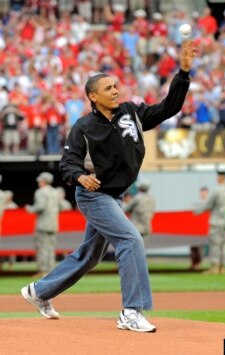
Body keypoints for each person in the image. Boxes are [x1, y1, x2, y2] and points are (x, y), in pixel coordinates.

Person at [21, 40, 196, 332]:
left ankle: (40, 292)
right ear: (92, 96)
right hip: (93, 195)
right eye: (108, 88)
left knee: (91, 255)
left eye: (116, 86)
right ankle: (131, 311)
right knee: (130, 240)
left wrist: (184, 72)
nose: (116, 91)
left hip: (115, 196)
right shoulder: (83, 127)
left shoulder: (131, 112)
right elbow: (67, 163)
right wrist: (78, 176)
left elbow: (169, 107)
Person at [193, 171, 225, 275]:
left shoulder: (216, 191)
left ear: (220, 178)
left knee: (215, 244)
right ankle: (223, 267)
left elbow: (208, 204)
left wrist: (196, 211)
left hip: (217, 221)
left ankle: (215, 267)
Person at [25, 172, 61, 278]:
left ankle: (43, 271)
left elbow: (40, 206)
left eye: (40, 180)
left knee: (42, 248)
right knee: (51, 248)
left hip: (42, 225)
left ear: (43, 181)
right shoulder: (56, 192)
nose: (39, 182)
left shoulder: (40, 192)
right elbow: (63, 206)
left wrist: (29, 209)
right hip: (53, 224)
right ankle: (51, 271)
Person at [190, 186, 209, 270]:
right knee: (193, 246)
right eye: (202, 192)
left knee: (200, 247)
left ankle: (199, 263)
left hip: (204, 229)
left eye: (204, 192)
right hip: (195, 228)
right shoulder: (197, 203)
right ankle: (194, 262)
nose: (203, 194)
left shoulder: (209, 203)